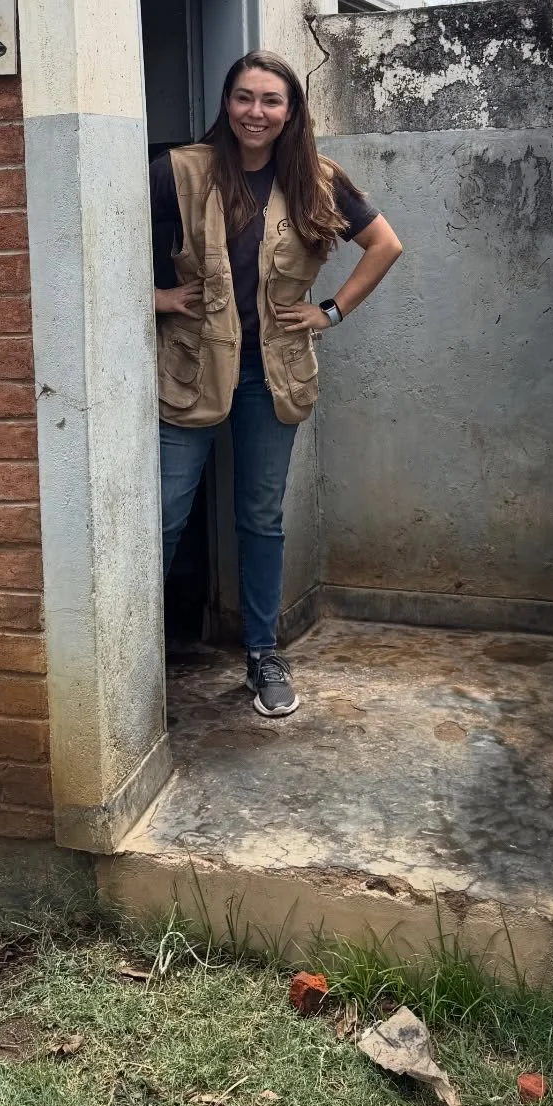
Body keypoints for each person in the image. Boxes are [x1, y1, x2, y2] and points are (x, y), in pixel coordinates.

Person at [150, 49, 403, 718]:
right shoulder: (180, 171)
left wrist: (330, 311)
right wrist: (156, 299)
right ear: (226, 104)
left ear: (291, 112)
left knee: (260, 519)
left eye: (270, 100)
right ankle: (136, 661)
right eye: (243, 97)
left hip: (273, 372)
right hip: (191, 365)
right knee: (164, 516)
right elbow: (94, 239)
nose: (255, 112)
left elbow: (385, 245)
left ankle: (262, 654)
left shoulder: (316, 180)